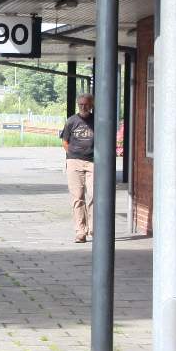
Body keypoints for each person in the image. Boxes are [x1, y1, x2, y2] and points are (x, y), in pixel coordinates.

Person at [60, 93, 97, 243]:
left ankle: (94, 229)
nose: (83, 107)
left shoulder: (97, 121)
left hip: (93, 162)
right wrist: (72, 155)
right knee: (77, 198)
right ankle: (80, 231)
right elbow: (65, 141)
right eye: (81, 104)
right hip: (74, 162)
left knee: (95, 196)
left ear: (92, 105)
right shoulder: (71, 121)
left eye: (86, 104)